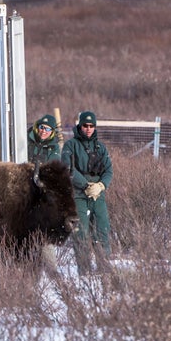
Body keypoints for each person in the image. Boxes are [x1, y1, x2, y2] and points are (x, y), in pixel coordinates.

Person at [61, 110, 113, 275]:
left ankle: (104, 268)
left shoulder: (101, 147)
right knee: (81, 233)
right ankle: (84, 271)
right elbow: (68, 168)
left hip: (98, 195)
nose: (88, 128)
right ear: (80, 126)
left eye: (91, 126)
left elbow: (108, 170)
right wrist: (85, 185)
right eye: (85, 125)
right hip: (79, 195)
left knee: (102, 230)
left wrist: (101, 185)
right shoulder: (71, 145)